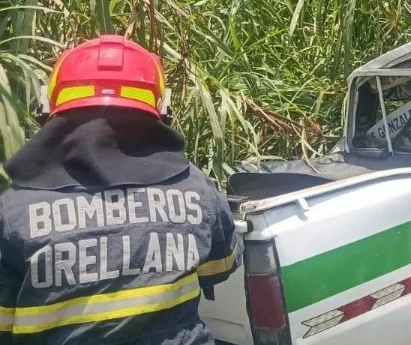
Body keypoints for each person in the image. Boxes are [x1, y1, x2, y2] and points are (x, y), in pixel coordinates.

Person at [0, 35, 241, 344]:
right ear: (160, 111)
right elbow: (219, 268)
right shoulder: (195, 190)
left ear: (50, 109)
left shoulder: (13, 211)